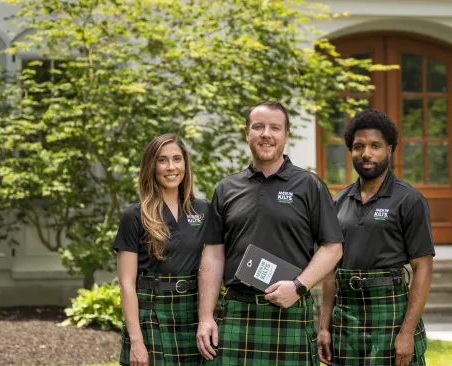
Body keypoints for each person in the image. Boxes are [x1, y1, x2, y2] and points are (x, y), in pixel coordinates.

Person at [196, 101, 344, 365]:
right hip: (238, 313)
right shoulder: (227, 188)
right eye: (258, 126)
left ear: (286, 135)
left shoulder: (309, 185)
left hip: (290, 310)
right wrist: (206, 316)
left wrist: (299, 286)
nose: (266, 133)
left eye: (275, 127)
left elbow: (333, 248)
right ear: (247, 134)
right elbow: (214, 255)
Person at [318, 109, 435, 366]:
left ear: (389, 149)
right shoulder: (337, 202)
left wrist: (406, 333)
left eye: (375, 146)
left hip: (389, 312)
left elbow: (422, 269)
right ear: (351, 151)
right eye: (358, 146)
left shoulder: (409, 200)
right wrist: (324, 327)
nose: (366, 153)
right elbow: (329, 273)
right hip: (345, 317)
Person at [114, 134, 210, 366]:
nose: (171, 167)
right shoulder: (134, 216)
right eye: (162, 160)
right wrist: (137, 341)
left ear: (185, 165)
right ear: (151, 166)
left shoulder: (204, 210)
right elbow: (126, 284)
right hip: (151, 316)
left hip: (192, 315)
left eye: (177, 159)